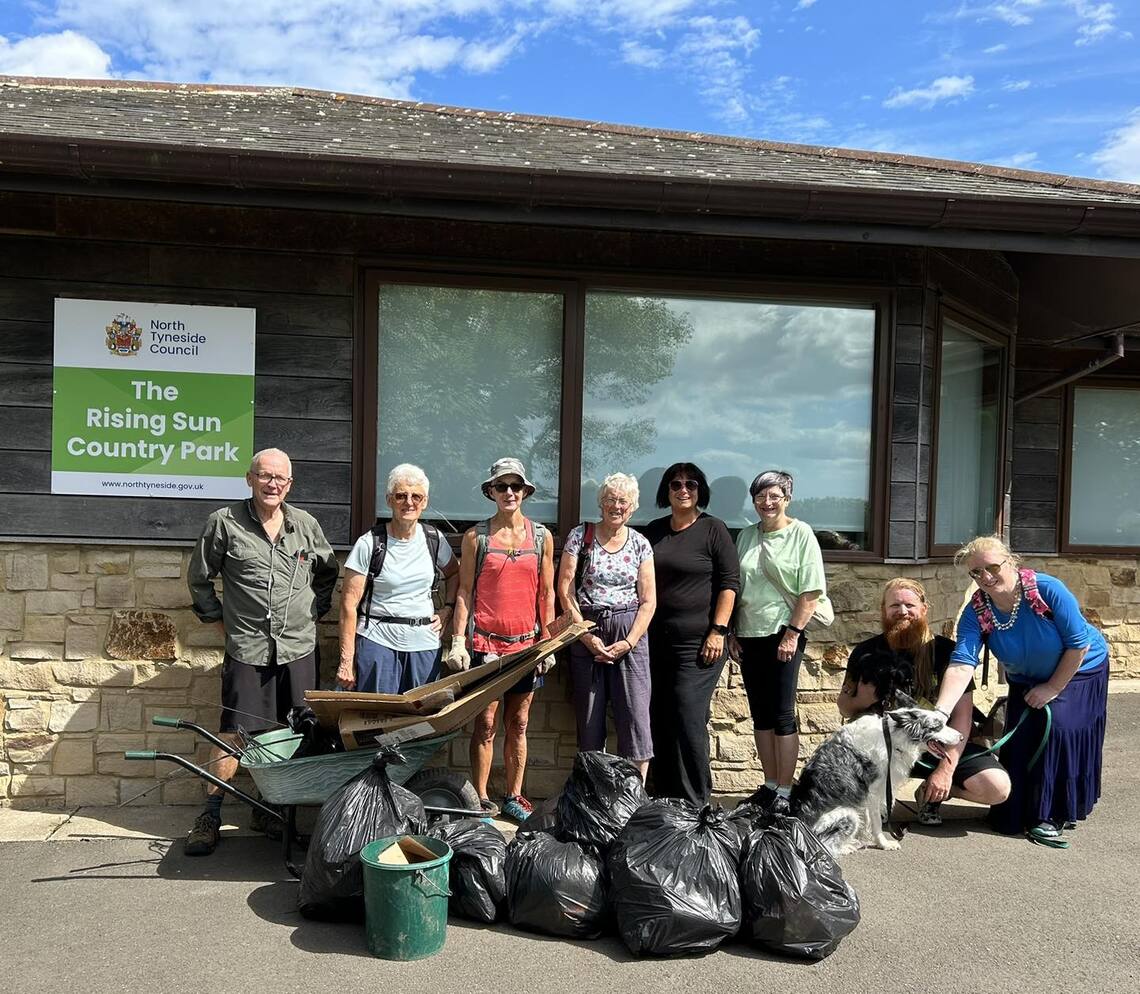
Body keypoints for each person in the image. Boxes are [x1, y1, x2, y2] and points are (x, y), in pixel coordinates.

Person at [185, 448, 338, 856]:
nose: (273, 484)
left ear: (289, 484)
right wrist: (220, 624)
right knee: (233, 733)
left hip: (298, 648)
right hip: (248, 648)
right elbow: (199, 579)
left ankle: (269, 810)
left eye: (280, 479)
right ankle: (210, 814)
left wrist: (313, 612)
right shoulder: (224, 523)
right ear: (249, 478)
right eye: (265, 476)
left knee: (292, 733)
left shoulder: (305, 525)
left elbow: (327, 572)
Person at [934, 535, 1109, 845]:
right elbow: (962, 664)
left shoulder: (1047, 590)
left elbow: (1078, 645)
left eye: (992, 567)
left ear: (1010, 562)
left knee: (1056, 728)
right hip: (1025, 676)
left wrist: (1053, 687)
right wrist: (939, 714)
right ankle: (1014, 809)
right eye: (976, 572)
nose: (985, 577)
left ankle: (1050, 814)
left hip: (1080, 668)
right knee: (1018, 741)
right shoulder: (976, 611)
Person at [839, 578, 1011, 825]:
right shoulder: (865, 653)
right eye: (894, 605)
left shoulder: (947, 652)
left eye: (909, 605)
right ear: (883, 611)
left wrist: (945, 771)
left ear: (923, 608)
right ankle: (877, 798)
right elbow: (844, 708)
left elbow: (962, 717)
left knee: (997, 788)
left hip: (937, 745)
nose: (902, 612)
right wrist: (862, 701)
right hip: (885, 746)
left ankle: (932, 793)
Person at [447, 458, 556, 821]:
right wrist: (458, 641)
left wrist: (548, 642)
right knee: (486, 723)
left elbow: (547, 594)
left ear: (525, 491)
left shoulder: (541, 537)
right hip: (486, 645)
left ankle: (514, 795)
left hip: (526, 645)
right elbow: (464, 591)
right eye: (501, 486)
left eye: (515, 486)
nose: (509, 493)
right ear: (490, 491)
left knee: (520, 723)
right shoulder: (476, 537)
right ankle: (479, 799)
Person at [642, 462, 739, 804]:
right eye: (676, 484)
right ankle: (667, 798)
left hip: (700, 645)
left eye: (691, 484)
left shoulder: (714, 529)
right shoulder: (653, 531)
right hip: (656, 642)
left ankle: (696, 800)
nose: (684, 490)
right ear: (666, 491)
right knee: (660, 716)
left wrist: (718, 630)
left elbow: (729, 584)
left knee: (687, 714)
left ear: (701, 491)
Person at [735, 469, 825, 814]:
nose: (767, 503)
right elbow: (736, 586)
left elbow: (811, 589)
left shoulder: (801, 533)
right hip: (749, 634)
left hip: (782, 633)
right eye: (760, 496)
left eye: (775, 496)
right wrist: (731, 631)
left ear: (787, 498)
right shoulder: (745, 536)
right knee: (760, 715)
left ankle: (785, 792)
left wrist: (792, 634)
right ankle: (769, 785)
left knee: (783, 714)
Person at [557, 473, 656, 780]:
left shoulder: (640, 544)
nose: (616, 506)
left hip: (630, 632)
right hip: (587, 628)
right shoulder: (580, 536)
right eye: (610, 499)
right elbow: (565, 590)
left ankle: (632, 800)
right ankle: (593, 800)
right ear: (600, 503)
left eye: (623, 501)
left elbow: (648, 600)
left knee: (636, 722)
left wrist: (628, 642)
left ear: (633, 507)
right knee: (589, 723)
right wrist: (585, 637)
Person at [336, 464, 459, 693]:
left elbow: (454, 573)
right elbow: (348, 606)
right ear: (389, 499)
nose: (409, 502)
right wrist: (346, 661)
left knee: (419, 722)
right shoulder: (369, 543)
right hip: (378, 642)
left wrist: (448, 610)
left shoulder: (434, 540)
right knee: (376, 720)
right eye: (401, 495)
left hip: (424, 644)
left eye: (416, 496)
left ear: (424, 502)